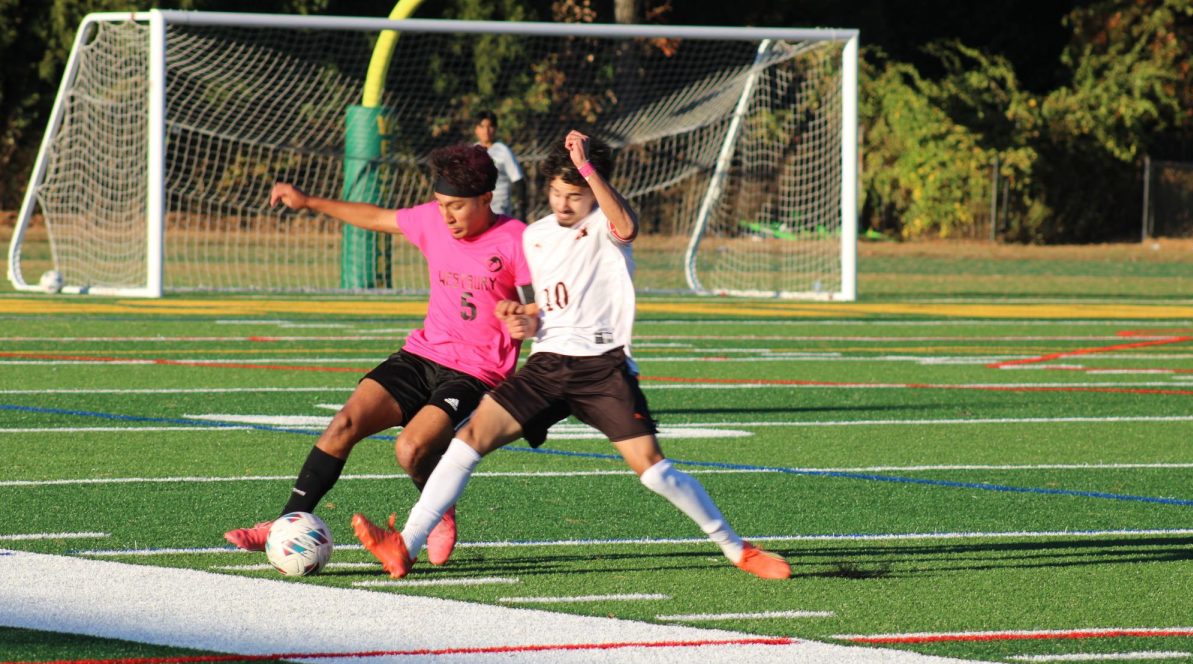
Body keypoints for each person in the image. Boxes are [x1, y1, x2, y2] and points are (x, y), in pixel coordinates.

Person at [351, 130, 791, 581]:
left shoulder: (607, 225)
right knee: (467, 444)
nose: (563, 204)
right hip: (547, 365)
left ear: (593, 188)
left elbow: (628, 226)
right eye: (557, 193)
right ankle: (405, 545)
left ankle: (738, 550)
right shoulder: (537, 235)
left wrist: (588, 170)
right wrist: (522, 317)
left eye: (574, 194)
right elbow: (546, 307)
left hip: (602, 368)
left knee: (654, 471)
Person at [223, 144, 533, 568]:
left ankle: (437, 508)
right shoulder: (432, 220)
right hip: (421, 356)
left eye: (457, 207)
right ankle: (281, 525)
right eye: (441, 204)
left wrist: (527, 317)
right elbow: (374, 217)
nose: (446, 216)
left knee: (410, 449)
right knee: (343, 423)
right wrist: (308, 200)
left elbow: (547, 302)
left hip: (476, 374)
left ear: (485, 199)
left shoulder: (517, 239)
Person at [475, 111, 525, 219]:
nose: (486, 131)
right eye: (482, 126)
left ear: (495, 129)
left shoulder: (503, 151)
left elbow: (518, 180)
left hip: (499, 210)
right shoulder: (472, 151)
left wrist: (522, 210)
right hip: (477, 209)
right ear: (476, 129)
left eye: (490, 126)